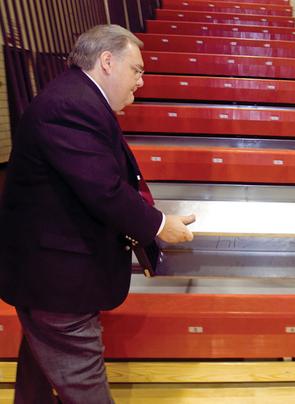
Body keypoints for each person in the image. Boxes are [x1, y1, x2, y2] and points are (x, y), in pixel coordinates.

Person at [0, 25, 196, 403]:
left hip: (48, 275)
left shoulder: (77, 99)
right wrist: (158, 225)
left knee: (38, 376)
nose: (141, 80)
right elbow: (103, 190)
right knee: (85, 384)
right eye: (137, 70)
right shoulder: (71, 106)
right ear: (107, 61)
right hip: (57, 282)